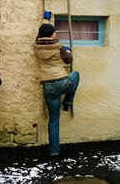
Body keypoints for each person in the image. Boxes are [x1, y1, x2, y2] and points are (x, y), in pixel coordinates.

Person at [33, 23, 80, 159]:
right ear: (50, 34)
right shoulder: (58, 46)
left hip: (48, 87)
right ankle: (68, 100)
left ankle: (54, 151)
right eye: (54, 32)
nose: (56, 34)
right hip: (62, 83)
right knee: (76, 74)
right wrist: (68, 50)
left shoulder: (35, 47)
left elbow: (41, 38)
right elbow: (69, 60)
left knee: (53, 120)